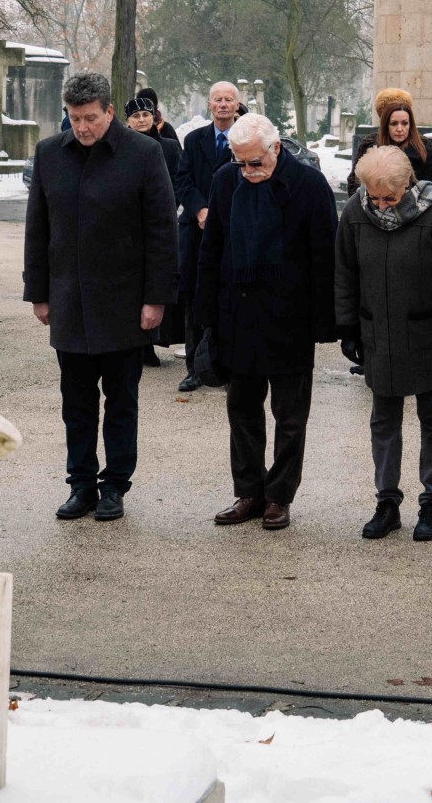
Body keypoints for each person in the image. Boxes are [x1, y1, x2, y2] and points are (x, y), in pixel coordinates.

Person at [24, 71, 178, 522]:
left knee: (121, 401)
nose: (84, 127)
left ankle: (114, 486)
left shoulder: (144, 154)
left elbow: (162, 232)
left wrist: (157, 298)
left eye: (91, 117)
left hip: (124, 302)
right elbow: (38, 229)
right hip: (69, 299)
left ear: (110, 112)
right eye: (75, 118)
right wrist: (38, 292)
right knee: (76, 403)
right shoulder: (50, 154)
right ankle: (81, 484)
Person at [198, 112, 337, 532]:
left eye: (254, 162)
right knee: (241, 410)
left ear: (276, 148)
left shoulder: (309, 186)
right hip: (238, 316)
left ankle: (279, 496)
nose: (247, 171)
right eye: (240, 162)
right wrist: (205, 314)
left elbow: (324, 259)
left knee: (290, 416)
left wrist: (324, 323)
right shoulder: (226, 181)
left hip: (289, 318)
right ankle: (249, 492)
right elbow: (212, 250)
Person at [335, 146, 432, 543]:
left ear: (407, 186)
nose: (380, 205)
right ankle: (387, 502)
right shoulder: (356, 213)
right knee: (384, 420)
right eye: (374, 197)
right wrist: (347, 327)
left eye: (389, 198)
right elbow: (344, 271)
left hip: (429, 331)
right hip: (377, 331)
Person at [173, 82, 239, 391]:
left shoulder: (245, 139)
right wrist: (200, 210)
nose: (223, 104)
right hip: (195, 232)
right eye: (218, 100)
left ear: (237, 105)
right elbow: (183, 179)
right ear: (210, 106)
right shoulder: (194, 139)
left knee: (229, 298)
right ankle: (194, 368)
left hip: (233, 233)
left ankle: (228, 366)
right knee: (194, 298)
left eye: (229, 100)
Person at [125, 96, 185, 366]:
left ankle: (153, 340)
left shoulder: (170, 148)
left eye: (145, 115)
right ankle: (135, 343)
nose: (141, 120)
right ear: (127, 120)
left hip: (160, 221)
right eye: (136, 116)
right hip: (129, 226)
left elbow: (178, 179)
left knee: (158, 282)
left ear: (154, 117)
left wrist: (168, 207)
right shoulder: (122, 148)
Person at [347, 88, 432, 194]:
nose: (399, 129)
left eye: (404, 123)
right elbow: (355, 183)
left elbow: (430, 191)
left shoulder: (424, 149)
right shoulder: (370, 146)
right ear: (385, 124)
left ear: (410, 124)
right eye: (394, 123)